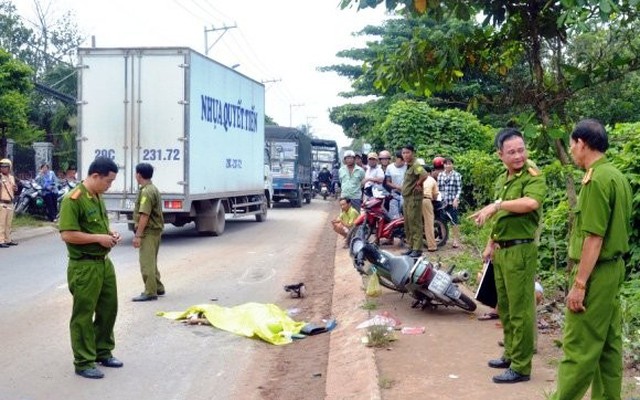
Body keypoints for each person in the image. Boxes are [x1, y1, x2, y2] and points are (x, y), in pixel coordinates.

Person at [550, 119, 632, 400]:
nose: (571, 151)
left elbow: (594, 239)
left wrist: (580, 284)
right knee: (609, 346)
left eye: (572, 145)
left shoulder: (595, 179)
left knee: (579, 346)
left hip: (595, 273)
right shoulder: (617, 176)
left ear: (582, 144)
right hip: (614, 269)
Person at [470, 128, 546, 384]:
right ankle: (511, 354)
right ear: (500, 154)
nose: (518, 156)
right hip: (502, 251)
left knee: (521, 310)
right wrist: (491, 243)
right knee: (505, 306)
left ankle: (522, 367)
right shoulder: (504, 179)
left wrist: (497, 205)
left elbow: (530, 204)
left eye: (521, 150)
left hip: (520, 251)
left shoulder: (533, 176)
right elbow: (501, 217)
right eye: (511, 152)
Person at [58, 157, 123, 379]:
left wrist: (110, 234)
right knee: (83, 314)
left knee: (108, 309)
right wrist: (98, 238)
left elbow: (99, 226)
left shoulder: (96, 196)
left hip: (104, 264)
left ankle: (102, 351)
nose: (110, 186)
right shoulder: (73, 199)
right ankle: (84, 361)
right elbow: (67, 234)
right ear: (95, 176)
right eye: (108, 181)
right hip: (84, 266)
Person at [131, 163, 166, 302]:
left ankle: (150, 292)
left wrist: (138, 235)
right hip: (155, 231)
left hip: (149, 231)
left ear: (138, 175)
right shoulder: (152, 188)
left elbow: (144, 215)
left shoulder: (146, 192)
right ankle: (158, 286)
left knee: (146, 263)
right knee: (152, 261)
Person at [401, 145, 428, 258]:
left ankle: (417, 249)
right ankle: (411, 247)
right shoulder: (409, 166)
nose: (405, 155)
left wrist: (418, 183)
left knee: (414, 223)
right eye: (403, 153)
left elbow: (424, 175)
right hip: (407, 199)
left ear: (413, 153)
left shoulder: (416, 164)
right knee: (407, 224)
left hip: (413, 198)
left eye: (407, 152)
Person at [438, 157, 462, 247]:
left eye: (450, 163)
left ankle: (456, 240)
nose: (448, 165)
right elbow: (439, 188)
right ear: (443, 165)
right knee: (443, 221)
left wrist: (456, 199)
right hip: (443, 201)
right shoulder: (440, 175)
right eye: (446, 164)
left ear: (452, 165)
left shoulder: (457, 175)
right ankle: (444, 239)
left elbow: (459, 189)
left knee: (454, 221)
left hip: (453, 201)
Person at [0, 158, 18, 248]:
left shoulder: (11, 177)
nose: (3, 168)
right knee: (1, 223)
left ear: (9, 167)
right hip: (2, 202)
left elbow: (13, 189)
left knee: (8, 222)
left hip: (10, 202)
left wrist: (15, 188)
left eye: (5, 167)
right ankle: (1, 240)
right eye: (1, 167)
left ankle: (8, 239)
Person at [422, 164, 439, 252]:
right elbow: (436, 195)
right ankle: (432, 246)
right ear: (430, 172)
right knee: (429, 224)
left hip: (414, 201)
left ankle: (414, 247)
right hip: (425, 200)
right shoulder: (431, 179)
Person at [384, 151, 407, 219]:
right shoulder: (389, 167)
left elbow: (420, 169)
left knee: (405, 215)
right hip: (394, 194)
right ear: (396, 158)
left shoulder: (408, 166)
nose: (403, 162)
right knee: (394, 217)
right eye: (401, 160)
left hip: (405, 194)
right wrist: (397, 187)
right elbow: (388, 182)